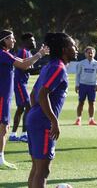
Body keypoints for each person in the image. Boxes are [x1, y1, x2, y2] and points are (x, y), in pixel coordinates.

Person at [27, 32, 77, 188]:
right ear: (64, 49)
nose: (75, 48)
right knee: (43, 171)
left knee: (37, 168)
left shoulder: (50, 66)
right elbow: (42, 95)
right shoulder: (58, 68)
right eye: (72, 45)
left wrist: (35, 114)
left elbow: (33, 95)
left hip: (35, 119)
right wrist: (53, 121)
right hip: (43, 122)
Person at [0, 29, 48, 169]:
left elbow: (24, 61)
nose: (14, 40)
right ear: (3, 40)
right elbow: (24, 65)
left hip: (5, 96)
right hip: (2, 96)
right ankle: (1, 159)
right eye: (11, 38)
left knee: (4, 127)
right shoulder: (3, 54)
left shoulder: (6, 54)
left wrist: (39, 55)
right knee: (3, 127)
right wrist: (40, 54)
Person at [9, 33, 37, 142]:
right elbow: (26, 68)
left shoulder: (29, 53)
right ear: (26, 42)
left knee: (20, 109)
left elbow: (31, 71)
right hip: (19, 83)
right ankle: (24, 134)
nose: (34, 42)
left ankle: (13, 134)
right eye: (32, 40)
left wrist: (41, 69)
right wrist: (44, 68)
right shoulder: (23, 52)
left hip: (22, 83)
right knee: (29, 107)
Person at [74, 46, 97, 126]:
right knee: (81, 102)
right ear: (85, 54)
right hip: (83, 85)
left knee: (92, 103)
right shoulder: (81, 63)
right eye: (88, 52)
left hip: (92, 86)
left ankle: (91, 120)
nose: (90, 54)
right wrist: (77, 85)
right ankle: (78, 119)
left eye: (92, 52)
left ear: (94, 54)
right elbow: (78, 75)